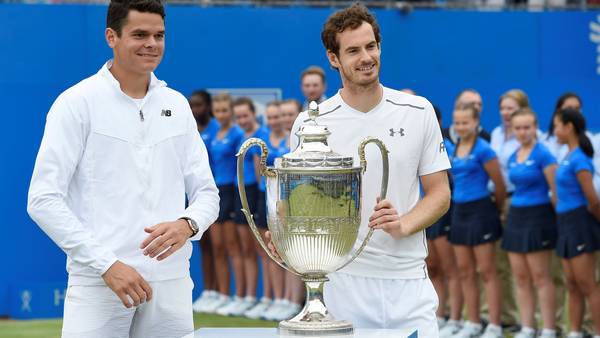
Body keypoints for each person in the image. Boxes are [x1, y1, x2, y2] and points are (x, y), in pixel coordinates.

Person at [26, 1, 219, 337]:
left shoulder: (176, 104)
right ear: (111, 37)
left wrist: (188, 224)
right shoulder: (76, 103)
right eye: (140, 34)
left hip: (170, 284)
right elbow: (42, 199)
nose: (152, 44)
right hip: (99, 285)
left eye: (159, 35)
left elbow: (207, 193)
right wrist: (107, 265)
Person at [283, 4, 451, 335]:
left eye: (371, 46)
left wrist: (404, 223)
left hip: (408, 281)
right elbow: (299, 203)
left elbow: (440, 193)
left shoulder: (418, 111)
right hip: (341, 284)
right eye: (353, 50)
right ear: (334, 58)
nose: (366, 57)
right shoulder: (310, 123)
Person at [448, 103, 506, 338]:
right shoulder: (456, 147)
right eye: (458, 122)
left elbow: (499, 185)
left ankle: (494, 325)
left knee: (487, 271)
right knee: (464, 270)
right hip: (459, 212)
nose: (461, 127)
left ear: (476, 123)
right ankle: (472, 322)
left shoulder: (484, 150)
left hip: (482, 212)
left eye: (466, 122)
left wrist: (496, 209)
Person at [501, 108, 558, 338]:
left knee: (541, 277)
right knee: (521, 277)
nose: (522, 132)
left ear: (535, 128)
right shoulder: (513, 155)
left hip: (539, 217)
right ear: (512, 130)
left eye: (527, 127)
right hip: (516, 217)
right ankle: (527, 327)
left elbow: (555, 191)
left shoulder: (544, 154)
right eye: (518, 128)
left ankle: (549, 328)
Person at [215, 97, 268, 316]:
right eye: (239, 117)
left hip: (254, 193)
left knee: (259, 249)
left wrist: (257, 199)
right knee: (244, 248)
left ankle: (264, 297)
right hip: (240, 194)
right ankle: (244, 296)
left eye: (245, 115)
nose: (242, 120)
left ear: (253, 113)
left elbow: (259, 174)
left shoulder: (260, 135)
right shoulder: (241, 136)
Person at [552, 108, 600, 338]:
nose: (555, 131)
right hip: (565, 223)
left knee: (587, 283)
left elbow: (593, 199)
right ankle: (574, 332)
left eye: (557, 126)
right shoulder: (568, 156)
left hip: (580, 223)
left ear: (569, 127)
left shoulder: (580, 158)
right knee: (571, 283)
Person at [203, 92, 245, 314]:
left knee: (232, 246)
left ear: (231, 111)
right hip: (216, 190)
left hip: (231, 190)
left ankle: (237, 295)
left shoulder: (238, 134)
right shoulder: (214, 134)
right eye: (217, 111)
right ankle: (221, 293)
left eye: (225, 110)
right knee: (217, 247)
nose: (221, 115)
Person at [427, 106, 464, 338]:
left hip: (445, 213)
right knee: (433, 268)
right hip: (423, 212)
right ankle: (440, 315)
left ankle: (457, 317)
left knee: (451, 268)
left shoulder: (446, 147)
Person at [189, 89, 221, 313]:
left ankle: (222, 292)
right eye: (191, 105)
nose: (194, 110)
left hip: (217, 193)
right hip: (194, 196)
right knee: (206, 247)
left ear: (208, 106)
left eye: (198, 105)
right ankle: (209, 291)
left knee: (220, 247)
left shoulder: (217, 130)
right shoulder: (190, 128)